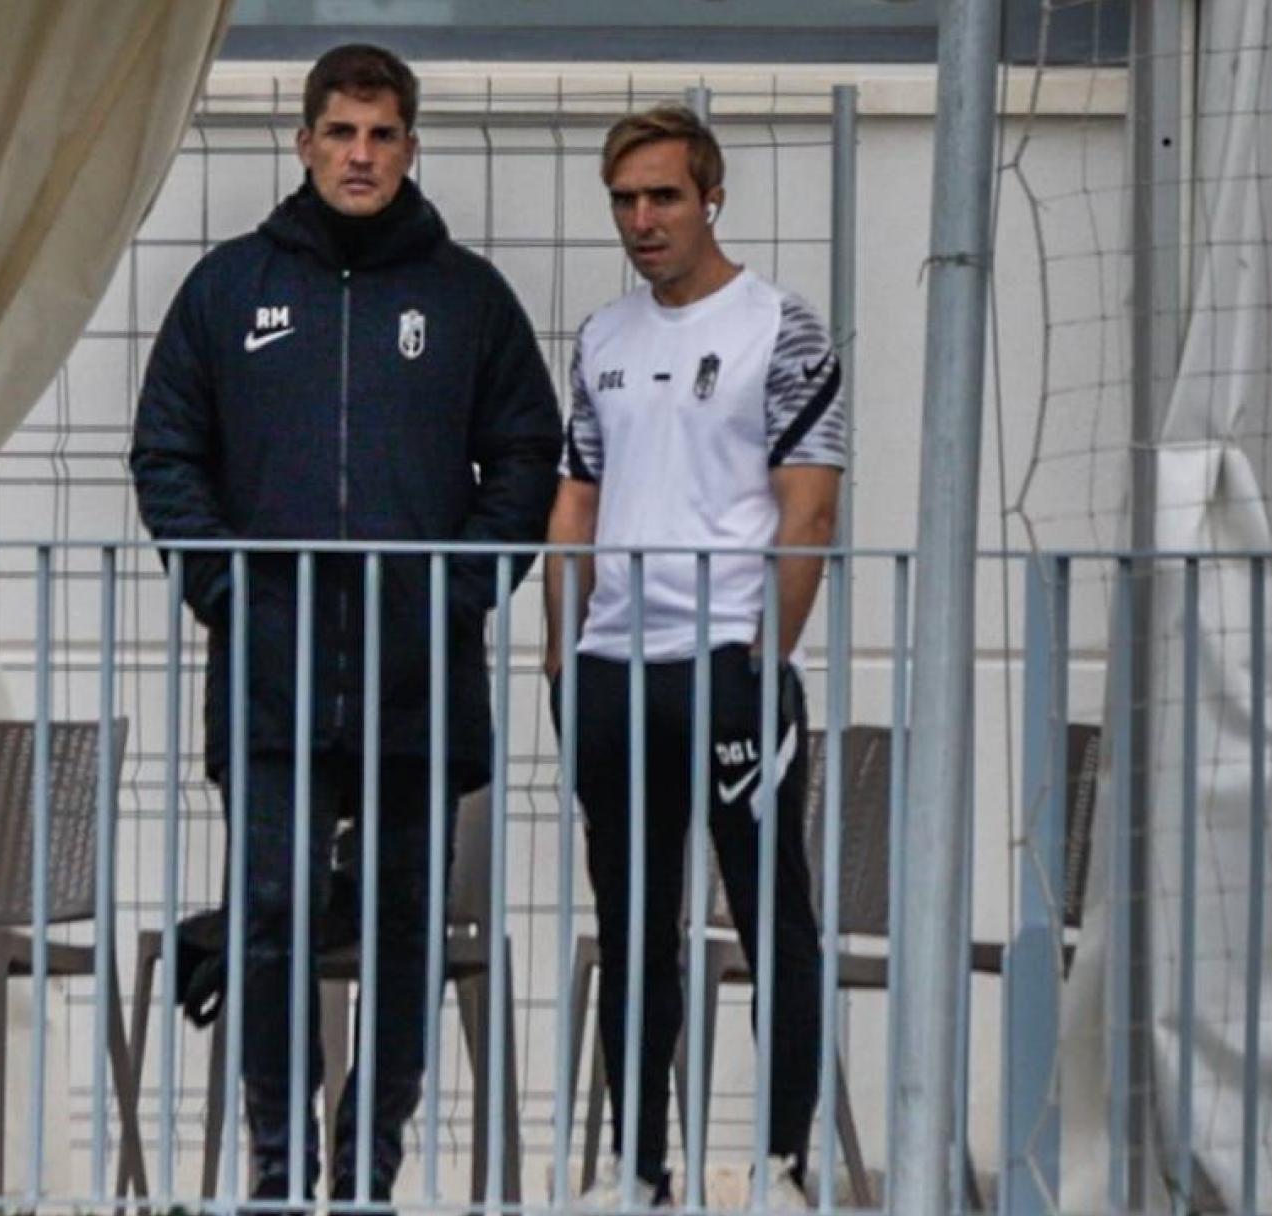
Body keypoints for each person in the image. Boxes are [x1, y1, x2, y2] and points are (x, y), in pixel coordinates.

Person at [130, 44, 561, 1207]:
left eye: (381, 135)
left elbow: (528, 454)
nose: (360, 155)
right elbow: (168, 452)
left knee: (406, 926)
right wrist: (226, 586)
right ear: (304, 142)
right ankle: (279, 1167)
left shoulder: (468, 298)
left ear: (410, 146)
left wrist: (456, 588)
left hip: (420, 678)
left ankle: (369, 1163)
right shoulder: (228, 289)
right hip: (270, 677)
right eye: (340, 132)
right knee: (270, 914)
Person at [544, 103, 847, 1209]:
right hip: (613, 671)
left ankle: (782, 1168)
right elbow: (575, 502)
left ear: (710, 197)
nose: (643, 219)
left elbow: (809, 510)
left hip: (727, 666)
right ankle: (640, 1174)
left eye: (664, 196)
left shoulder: (782, 327)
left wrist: (762, 660)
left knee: (773, 920)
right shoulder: (601, 337)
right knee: (634, 929)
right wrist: (562, 659)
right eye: (624, 200)